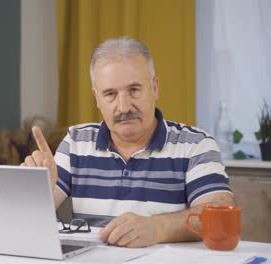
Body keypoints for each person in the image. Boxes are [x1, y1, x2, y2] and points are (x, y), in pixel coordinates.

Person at [21, 36, 234, 248]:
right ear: (97, 98)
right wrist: (38, 190)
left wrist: (158, 228)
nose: (123, 107)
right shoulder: (76, 142)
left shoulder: (196, 145)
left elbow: (220, 216)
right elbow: (27, 221)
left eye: (134, 90)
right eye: (110, 94)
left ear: (155, 88)